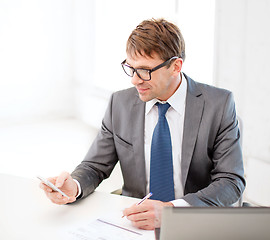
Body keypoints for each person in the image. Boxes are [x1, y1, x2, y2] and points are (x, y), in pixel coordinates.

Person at [40, 18, 245, 230]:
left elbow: (231, 181)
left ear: (176, 66)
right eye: (131, 68)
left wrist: (172, 211)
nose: (135, 80)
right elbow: (95, 166)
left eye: (145, 70)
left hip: (192, 223)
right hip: (134, 223)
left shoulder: (218, 104)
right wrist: (74, 186)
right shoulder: (119, 103)